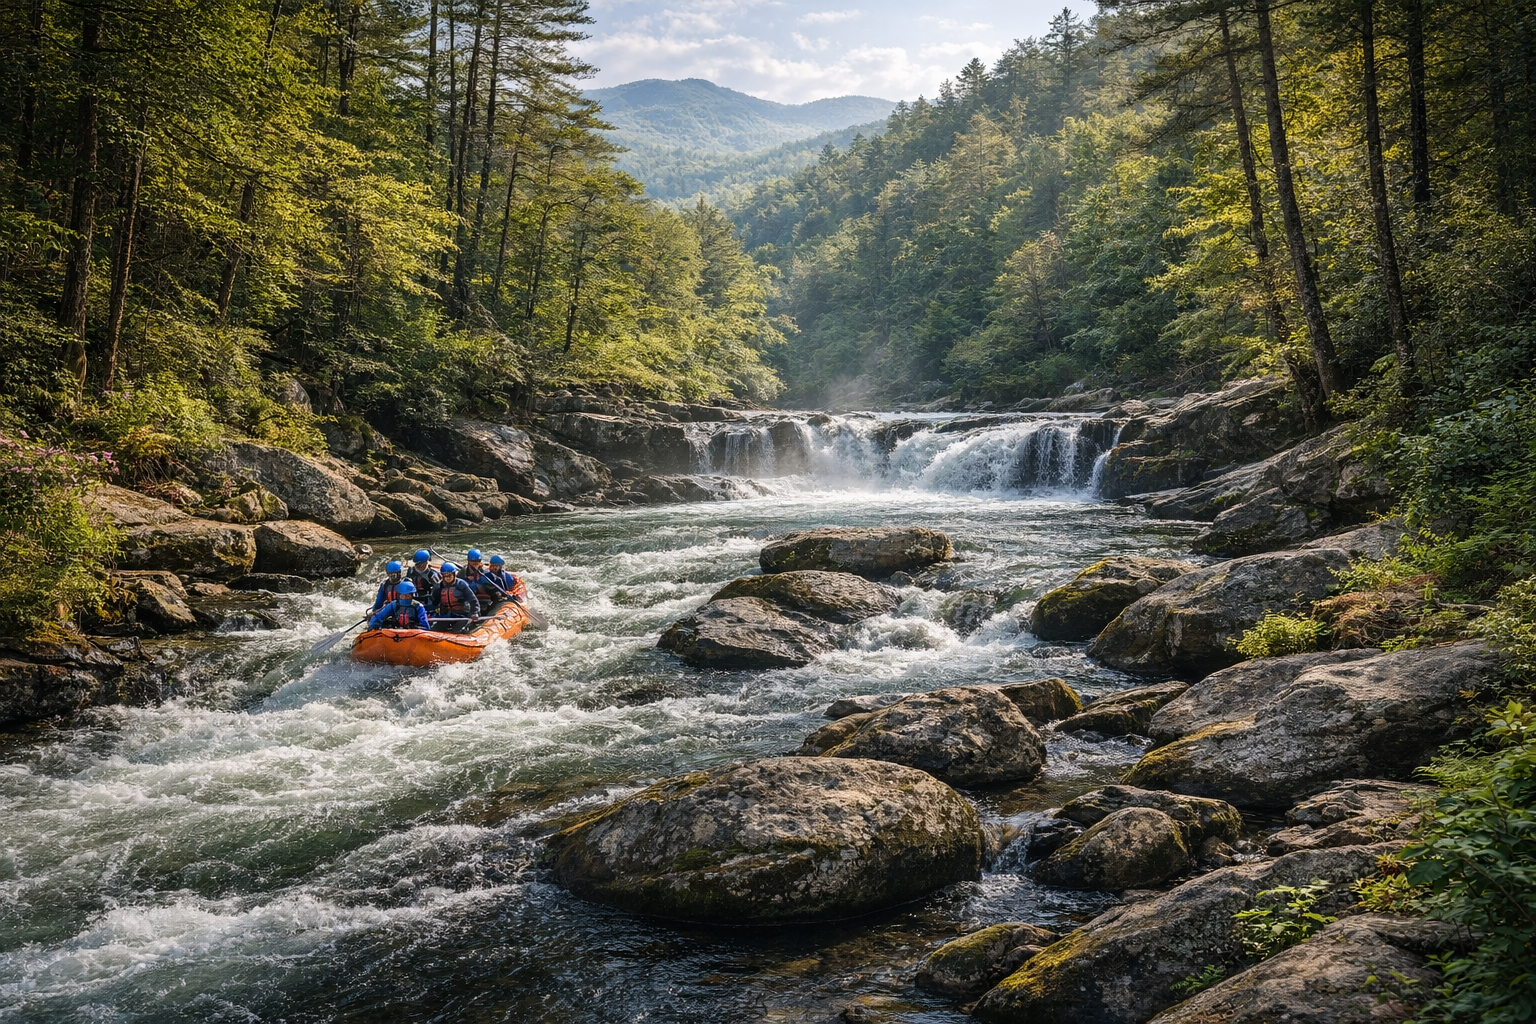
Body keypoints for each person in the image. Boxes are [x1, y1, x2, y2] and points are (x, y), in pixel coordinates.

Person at [430, 561, 480, 629]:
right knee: (434, 629)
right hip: (446, 616)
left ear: (454, 575)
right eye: (445, 576)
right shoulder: (438, 587)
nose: (447, 578)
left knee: (457, 630)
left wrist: (474, 612)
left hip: (461, 615)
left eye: (449, 575)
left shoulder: (461, 585)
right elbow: (434, 603)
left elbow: (473, 600)